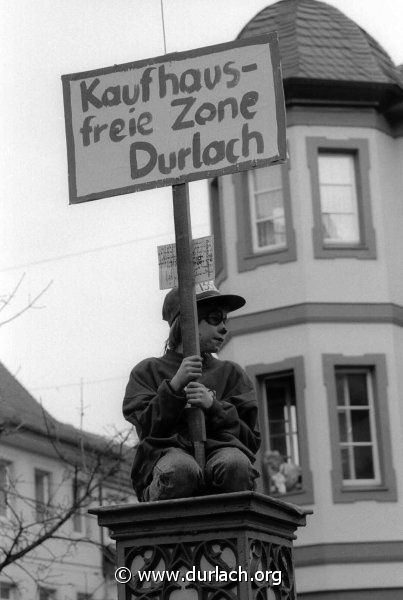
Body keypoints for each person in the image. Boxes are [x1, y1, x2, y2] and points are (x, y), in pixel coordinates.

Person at [123, 284, 260, 501]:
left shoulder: (231, 374)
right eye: (215, 318)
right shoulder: (148, 371)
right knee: (180, 470)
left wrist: (213, 406)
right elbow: (146, 427)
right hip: (168, 456)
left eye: (226, 320)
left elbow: (251, 438)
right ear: (186, 322)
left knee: (236, 465)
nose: (224, 328)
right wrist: (174, 386)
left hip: (222, 455)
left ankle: (226, 527)